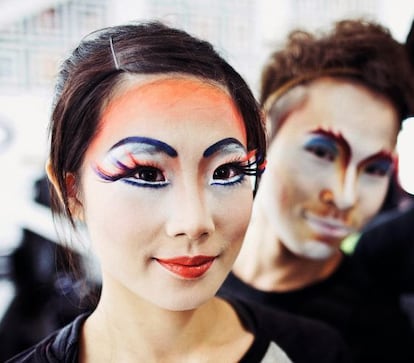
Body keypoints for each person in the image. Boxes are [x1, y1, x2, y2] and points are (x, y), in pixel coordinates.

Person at [6, 21, 351, 363]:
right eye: (146, 173)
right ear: (72, 191)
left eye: (226, 171)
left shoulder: (313, 352)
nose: (195, 221)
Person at [218, 19, 414, 363]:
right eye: (323, 153)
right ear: (260, 135)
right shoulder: (184, 270)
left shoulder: (375, 333)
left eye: (374, 169)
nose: (345, 196)